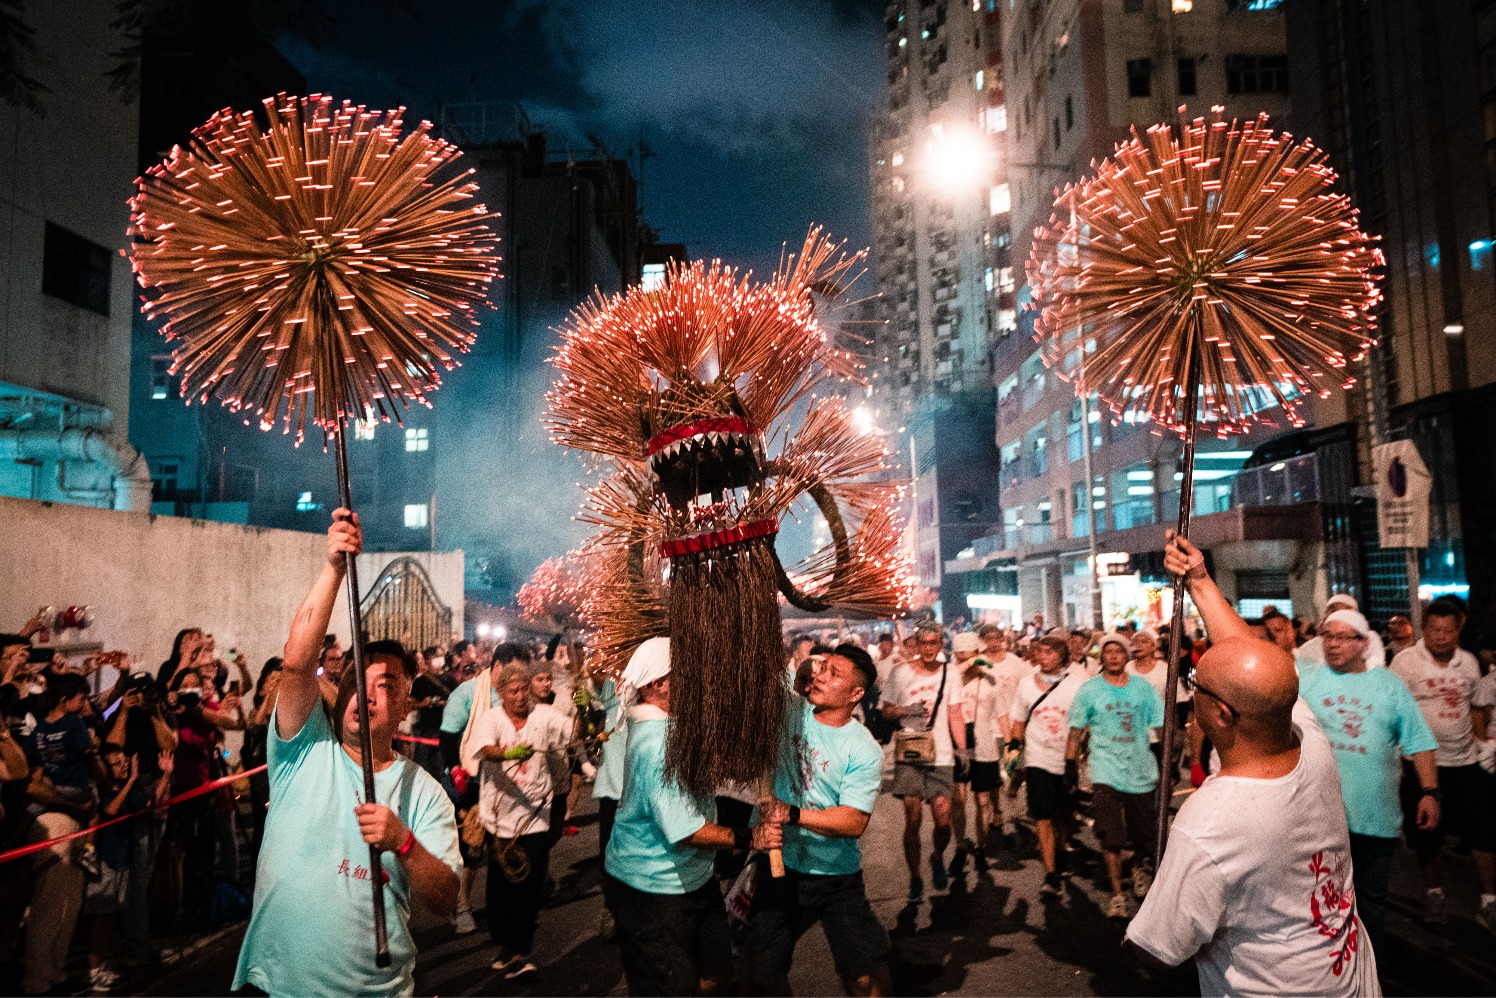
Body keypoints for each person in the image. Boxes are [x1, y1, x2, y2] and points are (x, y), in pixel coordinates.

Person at [1126, 531, 1378, 996]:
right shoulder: (1308, 737)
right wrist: (1200, 580)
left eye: (1196, 682)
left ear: (1221, 714)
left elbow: (1156, 948)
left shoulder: (1210, 823)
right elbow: (1260, 668)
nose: (1192, 686)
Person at [233, 510, 460, 997]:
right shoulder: (302, 751)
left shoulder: (425, 793)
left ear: (405, 705)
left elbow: (446, 898)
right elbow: (296, 662)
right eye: (357, 679)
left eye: (386, 685)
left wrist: (403, 842)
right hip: (273, 985)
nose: (367, 693)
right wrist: (333, 568)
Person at [603, 637, 781, 996]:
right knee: (669, 987)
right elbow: (684, 830)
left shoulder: (675, 725)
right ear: (659, 685)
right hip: (651, 887)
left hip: (693, 879)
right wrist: (749, 838)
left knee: (716, 972)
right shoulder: (656, 744)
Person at [749, 644, 892, 997]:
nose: (822, 676)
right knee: (762, 974)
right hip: (779, 866)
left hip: (835, 876)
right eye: (823, 667)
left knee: (862, 976)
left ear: (856, 694)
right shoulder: (788, 711)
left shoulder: (864, 749)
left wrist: (793, 814)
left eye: (834, 674)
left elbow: (853, 821)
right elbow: (761, 675)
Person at [1298, 607, 1439, 955]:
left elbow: (1419, 741)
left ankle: (1368, 971)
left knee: (1370, 901)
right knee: (1319, 900)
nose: (1332, 644)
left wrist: (1430, 791)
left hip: (1375, 816)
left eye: (1342, 637)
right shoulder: (1307, 680)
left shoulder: (1388, 685)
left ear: (1363, 643)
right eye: (1327, 636)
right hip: (1318, 816)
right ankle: (1328, 969)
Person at [1389, 600, 1496, 930]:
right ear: (1424, 629)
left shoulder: (1469, 663)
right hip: (1422, 765)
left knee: (1483, 831)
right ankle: (1434, 894)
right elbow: (1394, 712)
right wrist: (1397, 757)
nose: (1441, 637)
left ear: (1459, 630)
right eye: (1435, 630)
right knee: (1427, 836)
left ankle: (1488, 902)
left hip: (1465, 762)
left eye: (1448, 630)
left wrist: (1482, 743)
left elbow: (1478, 707)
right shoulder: (1405, 662)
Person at [439, 641, 533, 934]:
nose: (519, 681)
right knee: (472, 848)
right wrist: (456, 771)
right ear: (497, 667)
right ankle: (462, 906)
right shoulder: (467, 694)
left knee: (506, 845)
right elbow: (448, 737)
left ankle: (502, 909)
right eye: (514, 671)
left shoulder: (519, 697)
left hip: (510, 781)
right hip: (472, 780)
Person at [1066, 631, 1162, 919]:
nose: (1113, 657)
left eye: (1118, 652)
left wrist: (1166, 762)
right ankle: (1118, 894)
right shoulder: (1089, 689)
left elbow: (1160, 727)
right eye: (1108, 652)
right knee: (1110, 834)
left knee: (1143, 833)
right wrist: (1070, 767)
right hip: (1105, 769)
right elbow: (1075, 731)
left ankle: (1138, 867)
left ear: (1127, 655)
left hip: (1140, 768)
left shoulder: (1143, 688)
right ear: (1102, 656)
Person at [473, 661, 557, 980]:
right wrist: (508, 754)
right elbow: (485, 749)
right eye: (514, 690)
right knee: (501, 889)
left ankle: (521, 953)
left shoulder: (541, 718)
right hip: (501, 820)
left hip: (536, 816)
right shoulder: (491, 718)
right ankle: (506, 945)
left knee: (530, 887)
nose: (521, 696)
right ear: (501, 693)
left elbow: (565, 738)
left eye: (525, 689)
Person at [878, 623, 967, 900]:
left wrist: (962, 749)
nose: (929, 648)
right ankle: (915, 878)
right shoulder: (900, 672)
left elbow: (955, 714)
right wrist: (906, 709)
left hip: (941, 754)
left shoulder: (951, 674)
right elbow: (886, 710)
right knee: (913, 820)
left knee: (943, 820)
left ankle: (937, 855)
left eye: (934, 642)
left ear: (941, 644)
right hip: (910, 752)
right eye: (924, 642)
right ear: (916, 643)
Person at [1008, 635, 1086, 895]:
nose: (1043, 656)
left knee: (1063, 815)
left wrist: (1075, 759)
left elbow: (1081, 725)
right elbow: (1018, 718)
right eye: (1040, 652)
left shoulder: (1076, 685)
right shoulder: (1026, 684)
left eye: (1050, 652)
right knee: (1042, 815)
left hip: (1065, 758)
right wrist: (1014, 746)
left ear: (1062, 656)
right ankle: (1050, 873)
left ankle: (1060, 851)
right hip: (1036, 757)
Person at [950, 632, 1001, 868]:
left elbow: (1001, 713)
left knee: (982, 800)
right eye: (959, 654)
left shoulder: (989, 678)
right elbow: (955, 675)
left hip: (984, 743)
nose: (963, 659)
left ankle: (980, 846)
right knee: (958, 801)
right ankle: (960, 846)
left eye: (967, 653)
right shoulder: (951, 676)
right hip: (957, 743)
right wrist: (969, 663)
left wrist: (1010, 743)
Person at [1298, 594, 1386, 670]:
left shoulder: (1368, 637)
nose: (1333, 644)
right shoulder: (1309, 647)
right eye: (1332, 610)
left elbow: (1376, 663)